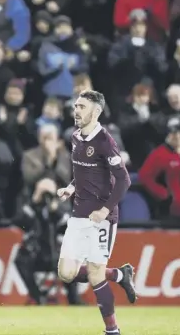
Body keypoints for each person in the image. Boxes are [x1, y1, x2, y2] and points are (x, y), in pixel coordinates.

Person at [56, 90, 134, 335]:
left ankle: (112, 330)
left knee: (95, 274)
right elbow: (82, 172)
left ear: (96, 111)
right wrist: (70, 187)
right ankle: (120, 275)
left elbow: (124, 180)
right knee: (66, 273)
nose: (76, 110)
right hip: (79, 215)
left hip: (102, 219)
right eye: (76, 106)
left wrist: (104, 209)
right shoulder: (76, 136)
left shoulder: (105, 142)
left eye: (81, 107)